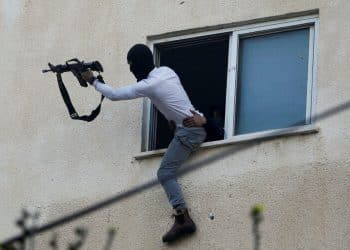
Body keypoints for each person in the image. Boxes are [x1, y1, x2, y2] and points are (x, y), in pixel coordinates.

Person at [81, 44, 207, 243]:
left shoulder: (148, 85)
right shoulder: (166, 72)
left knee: (165, 173)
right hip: (190, 126)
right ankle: (182, 218)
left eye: (132, 65)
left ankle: (183, 219)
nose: (131, 70)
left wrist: (93, 80)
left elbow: (114, 95)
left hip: (189, 131)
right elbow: (173, 99)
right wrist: (172, 116)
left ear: (138, 64)